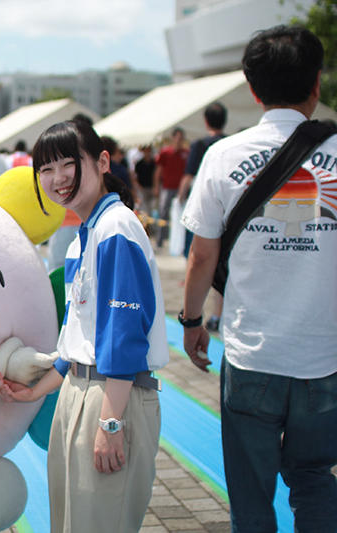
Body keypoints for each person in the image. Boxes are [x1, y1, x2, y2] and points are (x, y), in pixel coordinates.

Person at [180, 25, 337, 532]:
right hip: (325, 359)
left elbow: (202, 256)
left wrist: (191, 321)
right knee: (314, 479)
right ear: (317, 82)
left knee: (250, 496)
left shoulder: (223, 156)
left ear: (252, 88)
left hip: (252, 356)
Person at [0, 119, 168, 532]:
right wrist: (35, 391)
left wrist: (110, 423)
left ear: (103, 162)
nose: (58, 178)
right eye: (46, 169)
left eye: (68, 164)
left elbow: (123, 335)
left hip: (111, 397)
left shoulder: (116, 228)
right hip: (78, 392)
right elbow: (78, 340)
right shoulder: (80, 241)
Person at [179, 102, 228, 329]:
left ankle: (194, 311)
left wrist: (180, 198)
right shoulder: (229, 144)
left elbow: (189, 175)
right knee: (223, 264)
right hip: (227, 208)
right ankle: (218, 314)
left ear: (206, 120)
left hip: (203, 207)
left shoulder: (200, 145)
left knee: (198, 256)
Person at [153, 127, 188, 247]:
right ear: (173, 138)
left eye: (181, 138)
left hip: (181, 188)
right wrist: (156, 186)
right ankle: (160, 239)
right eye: (177, 137)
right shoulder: (166, 152)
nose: (179, 140)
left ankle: (179, 241)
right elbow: (158, 170)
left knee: (181, 213)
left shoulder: (186, 153)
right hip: (167, 187)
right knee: (163, 212)